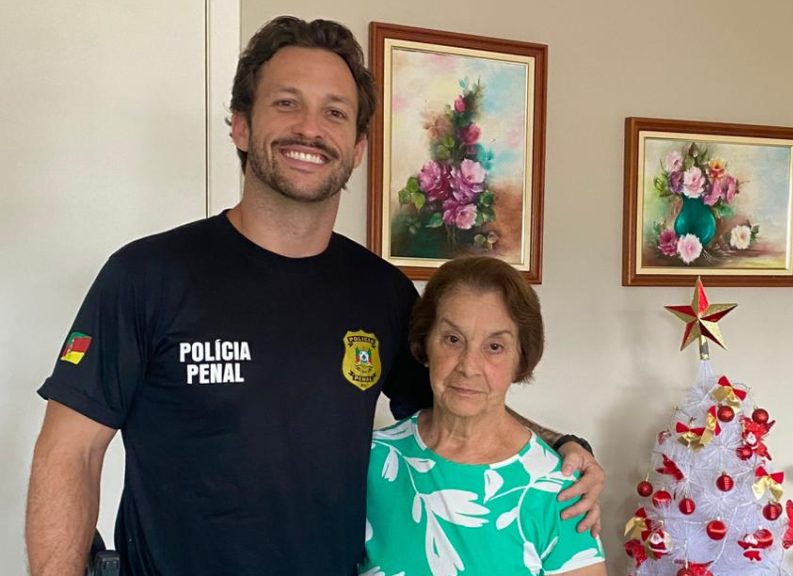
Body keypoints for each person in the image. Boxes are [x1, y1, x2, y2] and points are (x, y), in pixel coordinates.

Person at [25, 16, 604, 576]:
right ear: (240, 125)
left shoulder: (381, 292)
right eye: (286, 103)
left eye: (334, 112)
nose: (310, 128)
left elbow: (457, 395)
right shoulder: (147, 276)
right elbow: (70, 454)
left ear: (357, 147)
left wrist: (561, 445)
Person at [360, 256, 606, 576]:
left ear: (521, 359)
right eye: (453, 339)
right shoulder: (370, 462)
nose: (468, 366)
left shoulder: (558, 487)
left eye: (494, 347)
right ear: (424, 344)